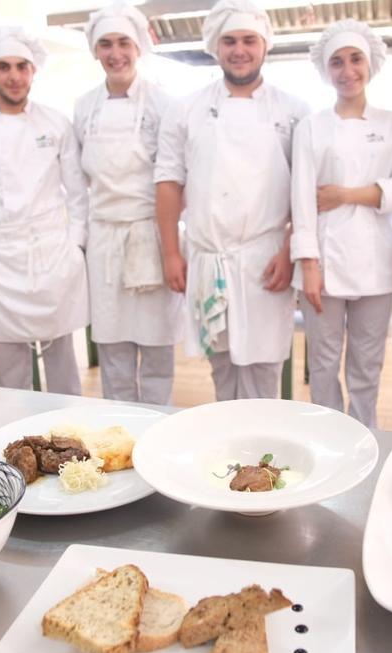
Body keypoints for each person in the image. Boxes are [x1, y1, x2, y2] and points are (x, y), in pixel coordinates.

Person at [155, 0, 309, 401]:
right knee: (221, 370)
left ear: (264, 46)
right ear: (215, 46)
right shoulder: (185, 109)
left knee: (264, 372)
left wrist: (290, 247)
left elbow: (304, 191)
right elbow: (169, 182)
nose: (239, 50)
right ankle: (229, 453)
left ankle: (267, 458)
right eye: (229, 41)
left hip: (266, 258)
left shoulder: (294, 110)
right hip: (208, 257)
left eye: (248, 40)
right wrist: (172, 252)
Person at [290, 20, 392, 427]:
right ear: (326, 71)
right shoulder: (311, 126)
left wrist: (347, 194)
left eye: (355, 59)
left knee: (367, 364)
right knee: (324, 364)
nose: (347, 71)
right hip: (324, 262)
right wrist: (308, 264)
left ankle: (365, 436)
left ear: (370, 63)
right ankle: (330, 436)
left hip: (377, 261)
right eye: (338, 62)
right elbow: (302, 198)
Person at [0, 27, 89, 394]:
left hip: (52, 253)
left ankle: (69, 433)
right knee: (9, 362)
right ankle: (12, 435)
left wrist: (75, 246)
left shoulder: (55, 122)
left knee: (62, 356)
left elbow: (77, 192)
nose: (14, 76)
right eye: (4, 67)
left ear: (33, 71)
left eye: (22, 67)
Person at [74, 2, 184, 405]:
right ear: (95, 50)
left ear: (139, 47)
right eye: (106, 44)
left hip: (150, 235)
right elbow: (78, 179)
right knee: (114, 349)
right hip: (104, 238)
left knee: (156, 348)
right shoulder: (84, 106)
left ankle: (158, 431)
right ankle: (117, 432)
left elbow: (175, 178)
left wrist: (172, 248)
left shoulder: (163, 103)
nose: (115, 53)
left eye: (123, 42)